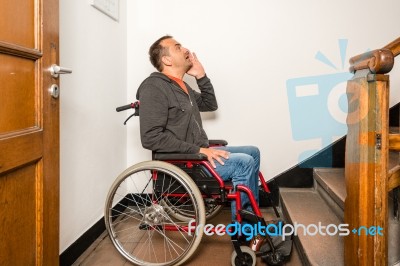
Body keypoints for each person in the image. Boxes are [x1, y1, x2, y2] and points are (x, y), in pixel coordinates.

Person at [136, 35, 261, 225]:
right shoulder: (154, 87)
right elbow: (151, 138)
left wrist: (201, 75)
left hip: (199, 156)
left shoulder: (182, 86)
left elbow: (210, 104)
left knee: (252, 151)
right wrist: (199, 150)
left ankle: (252, 213)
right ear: (166, 60)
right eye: (178, 47)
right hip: (186, 162)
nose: (185, 49)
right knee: (244, 163)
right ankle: (245, 229)